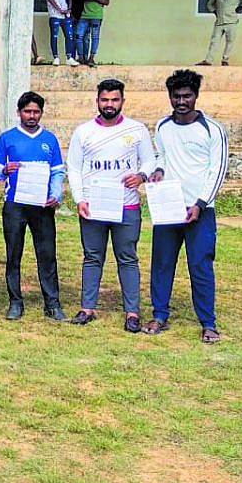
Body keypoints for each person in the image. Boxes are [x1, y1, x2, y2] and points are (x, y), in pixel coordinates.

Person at [67, 78, 157, 331]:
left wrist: (140, 176)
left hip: (126, 206)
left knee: (127, 257)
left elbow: (150, 161)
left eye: (114, 99)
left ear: (122, 101)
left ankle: (132, 312)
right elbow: (73, 167)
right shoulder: (83, 131)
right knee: (92, 256)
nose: (109, 104)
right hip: (93, 206)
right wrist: (79, 199)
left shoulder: (137, 130)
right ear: (97, 101)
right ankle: (87, 308)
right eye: (104, 100)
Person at [145, 69, 228, 343]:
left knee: (200, 266)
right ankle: (159, 315)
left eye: (187, 96)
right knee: (162, 263)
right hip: (169, 209)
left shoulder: (212, 129)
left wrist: (201, 204)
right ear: (170, 96)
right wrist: (158, 170)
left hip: (200, 211)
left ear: (196, 96)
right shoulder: (162, 127)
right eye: (176, 96)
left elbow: (218, 169)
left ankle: (208, 323)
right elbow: (163, 156)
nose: (181, 101)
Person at [0, 91, 67, 321]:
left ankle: (52, 303)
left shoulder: (50, 139)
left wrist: (55, 195)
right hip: (15, 204)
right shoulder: (7, 138)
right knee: (13, 253)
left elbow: (57, 171)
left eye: (36, 111)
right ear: (19, 112)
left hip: (42, 205)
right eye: (27, 111)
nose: (32, 115)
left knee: (46, 254)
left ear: (41, 113)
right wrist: (4, 171)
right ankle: (15, 302)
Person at [75, 0, 109, 67]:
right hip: (84, 15)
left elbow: (106, 1)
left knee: (94, 36)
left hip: (96, 16)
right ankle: (81, 57)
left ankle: (91, 57)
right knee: (78, 35)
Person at [45, 0, 76, 66]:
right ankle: (56, 57)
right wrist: (58, 9)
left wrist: (69, 7)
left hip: (65, 14)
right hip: (54, 14)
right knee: (54, 35)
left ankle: (69, 57)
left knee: (69, 35)